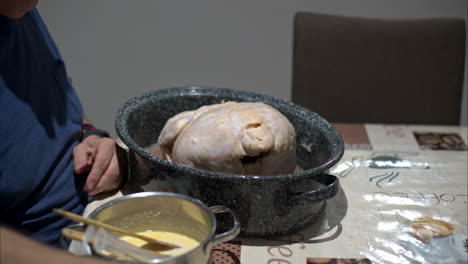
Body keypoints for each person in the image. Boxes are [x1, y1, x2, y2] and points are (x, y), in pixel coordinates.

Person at [1, 0, 127, 263]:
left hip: (93, 209)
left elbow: (60, 105)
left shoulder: (21, 10)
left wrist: (91, 135)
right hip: (46, 250)